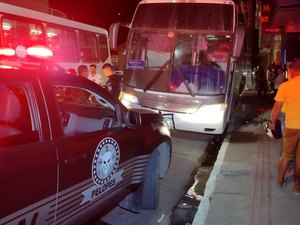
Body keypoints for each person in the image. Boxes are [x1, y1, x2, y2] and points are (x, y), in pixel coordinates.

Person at [269, 59, 300, 193]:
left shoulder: (286, 86)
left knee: (287, 156)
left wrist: (272, 122)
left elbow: (277, 106)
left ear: (292, 70)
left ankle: (280, 181)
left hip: (292, 125)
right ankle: (297, 187)